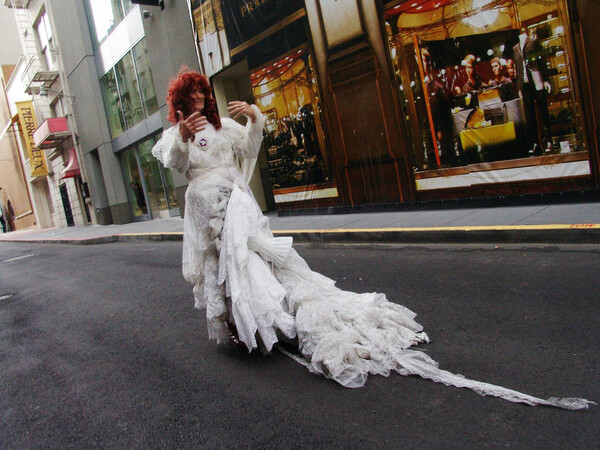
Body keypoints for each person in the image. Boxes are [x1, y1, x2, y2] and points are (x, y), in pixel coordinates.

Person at [152, 69, 593, 409]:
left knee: (253, 261)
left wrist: (255, 119)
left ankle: (267, 319)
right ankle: (236, 319)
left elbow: (248, 150)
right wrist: (184, 137)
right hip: (203, 206)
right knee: (220, 266)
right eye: (191, 99)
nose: (200, 103)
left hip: (237, 204)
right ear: (179, 105)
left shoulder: (224, 126)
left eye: (203, 96)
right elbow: (173, 163)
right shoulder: (178, 136)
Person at [513, 28, 553, 154]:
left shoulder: (533, 42)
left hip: (536, 81)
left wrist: (546, 79)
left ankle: (549, 140)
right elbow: (518, 69)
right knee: (529, 115)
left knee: (543, 111)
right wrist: (519, 88)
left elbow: (541, 60)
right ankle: (535, 142)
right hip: (524, 85)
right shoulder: (515, 49)